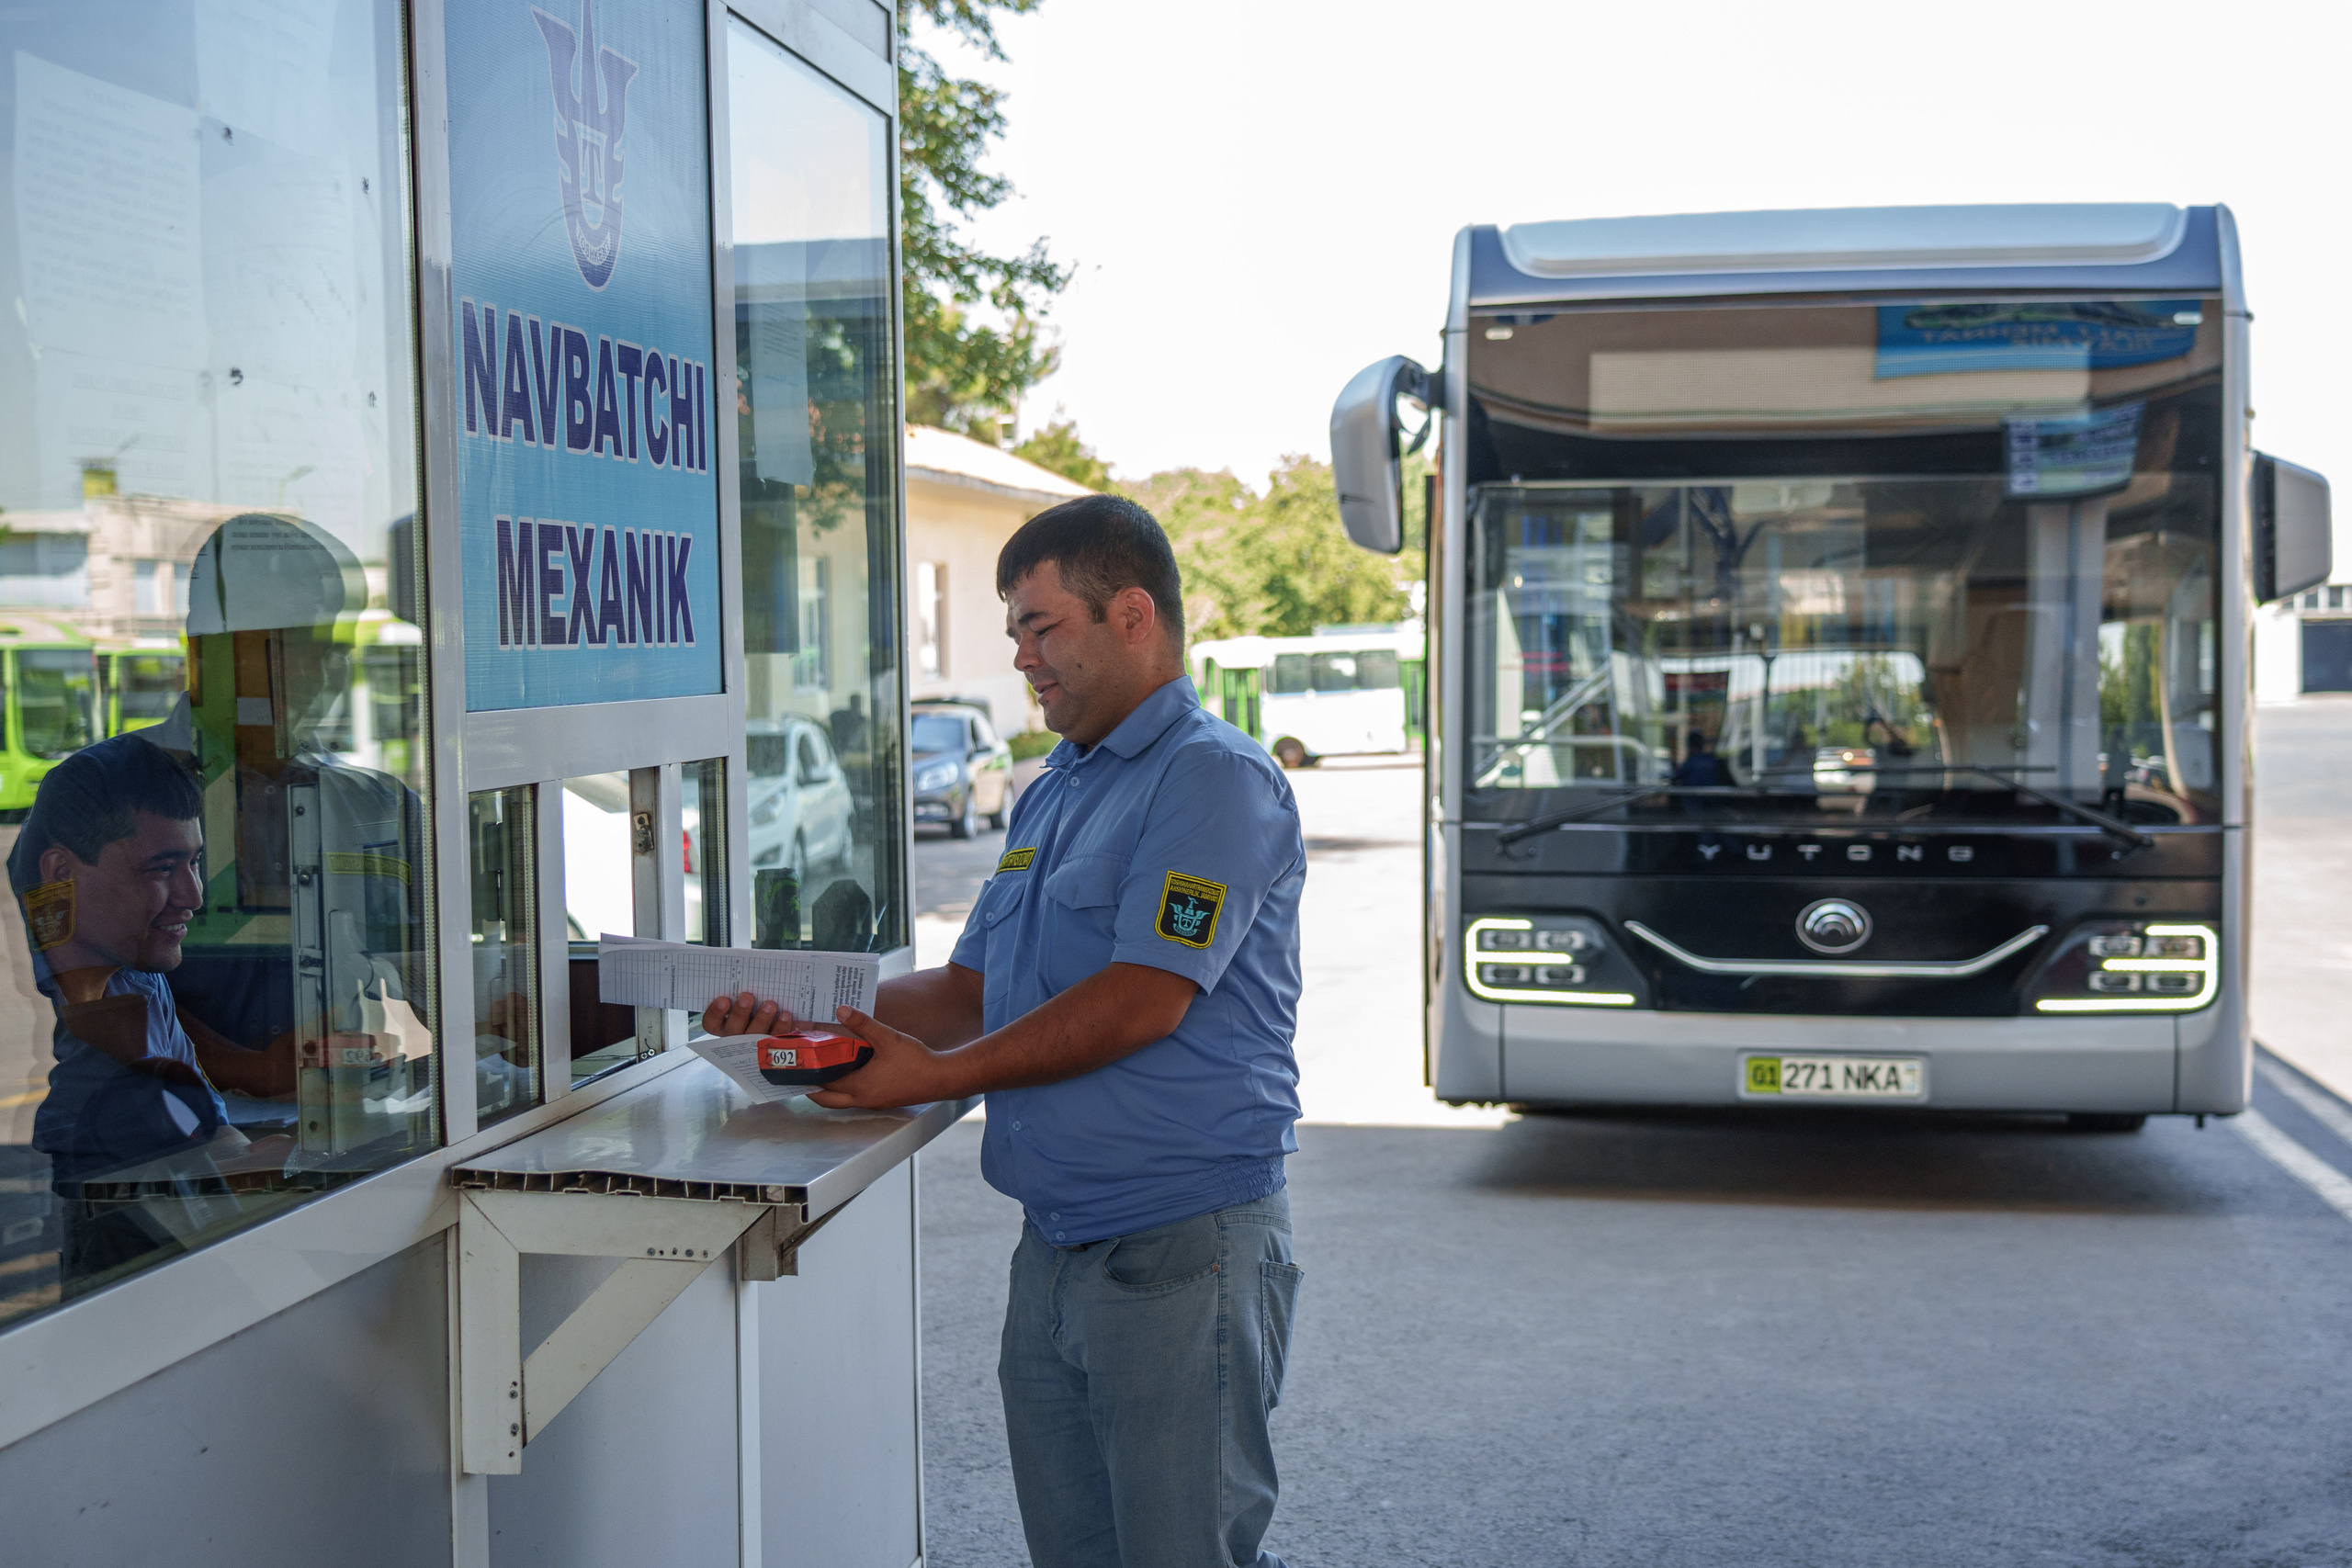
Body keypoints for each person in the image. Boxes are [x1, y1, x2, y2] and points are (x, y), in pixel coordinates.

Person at [707, 494, 1306, 1568]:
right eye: (1014, 632)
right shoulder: (1053, 790)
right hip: (1057, 1253)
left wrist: (936, 1077)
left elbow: (1143, 996)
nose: (1022, 658)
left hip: (1180, 1249)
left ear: (1132, 615)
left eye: (1042, 627)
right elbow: (973, 987)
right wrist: (793, 1019)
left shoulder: (1212, 779)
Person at [11, 735, 292, 1287]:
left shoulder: (134, 964)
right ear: (60, 871)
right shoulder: (107, 1080)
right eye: (161, 869)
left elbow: (208, 1130)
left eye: (194, 862)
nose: (193, 894)